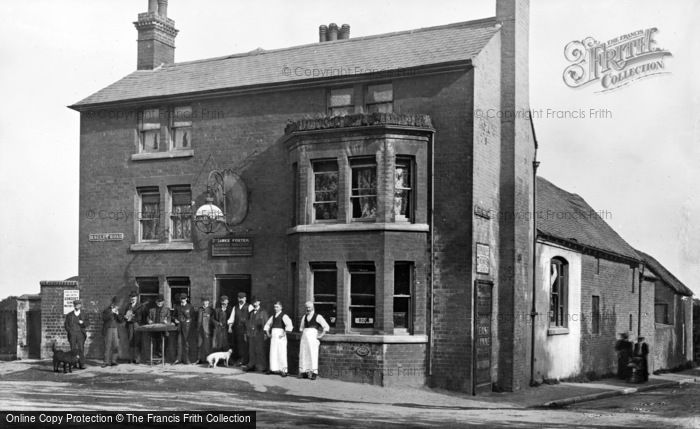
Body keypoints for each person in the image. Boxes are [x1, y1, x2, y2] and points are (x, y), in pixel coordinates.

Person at [298, 301, 329, 380]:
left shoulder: (318, 316)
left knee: (313, 354)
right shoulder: (304, 317)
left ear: (313, 307)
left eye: (309, 307)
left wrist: (321, 335)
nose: (308, 309)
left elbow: (326, 327)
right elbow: (301, 328)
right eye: (306, 307)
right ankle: (304, 372)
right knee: (304, 354)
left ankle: (314, 373)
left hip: (313, 337)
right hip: (305, 337)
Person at [264, 301, 293, 377]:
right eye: (275, 307)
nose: (275, 308)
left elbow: (289, 325)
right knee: (273, 352)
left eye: (277, 307)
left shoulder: (284, 315)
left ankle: (283, 370)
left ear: (281, 307)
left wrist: (284, 333)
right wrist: (268, 333)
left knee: (281, 352)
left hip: (281, 336)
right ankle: (273, 369)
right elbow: (267, 324)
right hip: (274, 336)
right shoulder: (273, 316)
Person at [243, 298, 269, 373]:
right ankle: (251, 365)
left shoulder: (263, 312)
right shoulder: (251, 312)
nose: (255, 303)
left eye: (256, 302)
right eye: (254, 302)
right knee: (251, 350)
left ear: (259, 302)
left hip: (260, 334)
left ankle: (261, 366)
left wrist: (265, 333)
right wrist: (246, 333)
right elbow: (247, 323)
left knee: (260, 350)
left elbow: (266, 323)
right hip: (251, 334)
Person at [228, 292, 253, 366]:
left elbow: (252, 318)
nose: (240, 299)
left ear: (245, 298)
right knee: (238, 344)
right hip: (237, 329)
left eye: (242, 298)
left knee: (245, 345)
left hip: (246, 329)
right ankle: (239, 359)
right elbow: (231, 318)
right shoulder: (235, 307)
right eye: (239, 298)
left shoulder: (249, 306)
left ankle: (244, 360)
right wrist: (230, 327)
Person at [64, 299, 88, 369]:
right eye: (75, 305)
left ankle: (82, 364)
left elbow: (87, 323)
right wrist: (70, 331)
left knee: (81, 349)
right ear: (74, 306)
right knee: (73, 349)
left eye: (78, 305)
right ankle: (73, 364)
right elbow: (66, 324)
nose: (77, 306)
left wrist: (82, 323)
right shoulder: (69, 315)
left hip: (80, 334)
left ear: (80, 305)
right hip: (72, 334)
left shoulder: (84, 314)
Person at [122, 291, 144, 364]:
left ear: (137, 298)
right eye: (131, 297)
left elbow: (141, 317)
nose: (132, 299)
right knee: (130, 340)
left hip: (137, 324)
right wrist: (125, 317)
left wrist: (132, 319)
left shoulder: (140, 306)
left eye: (134, 297)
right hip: (129, 325)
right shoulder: (128, 306)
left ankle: (137, 359)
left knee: (137, 341)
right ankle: (131, 358)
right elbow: (125, 315)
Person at [101, 297, 124, 367]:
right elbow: (104, 318)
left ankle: (114, 360)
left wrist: (117, 314)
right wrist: (111, 312)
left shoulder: (118, 311)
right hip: (108, 329)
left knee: (116, 345)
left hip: (115, 329)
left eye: (117, 305)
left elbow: (121, 320)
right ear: (112, 304)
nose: (116, 306)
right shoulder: (107, 310)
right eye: (115, 304)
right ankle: (106, 362)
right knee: (107, 346)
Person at [173, 293, 193, 364]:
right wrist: (175, 320)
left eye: (184, 298)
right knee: (179, 343)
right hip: (179, 327)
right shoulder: (177, 307)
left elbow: (192, 317)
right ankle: (178, 359)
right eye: (181, 298)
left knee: (186, 344)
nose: (182, 300)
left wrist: (189, 321)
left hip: (187, 328)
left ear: (186, 299)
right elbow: (174, 316)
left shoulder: (190, 307)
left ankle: (187, 359)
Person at [196, 297, 214, 364]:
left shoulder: (211, 310)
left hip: (207, 330)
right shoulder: (200, 309)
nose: (205, 302)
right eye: (204, 301)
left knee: (207, 345)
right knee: (199, 344)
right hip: (199, 329)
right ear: (202, 302)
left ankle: (208, 359)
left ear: (208, 302)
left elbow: (212, 320)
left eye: (206, 301)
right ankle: (199, 359)